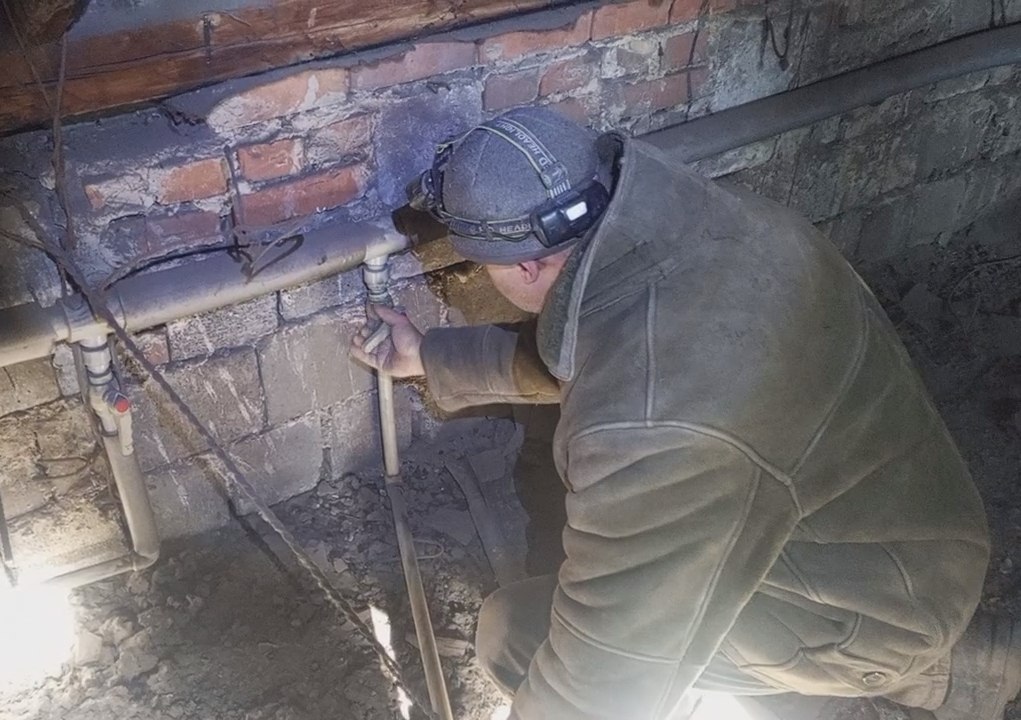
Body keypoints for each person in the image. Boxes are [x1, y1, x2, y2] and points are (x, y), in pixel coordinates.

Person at [351, 106, 1021, 720]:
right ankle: (966, 667)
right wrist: (430, 356)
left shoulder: (651, 433)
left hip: (861, 605)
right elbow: (596, 344)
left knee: (518, 636)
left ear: (524, 269)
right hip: (906, 535)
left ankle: (838, 683)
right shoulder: (705, 224)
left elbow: (604, 676)